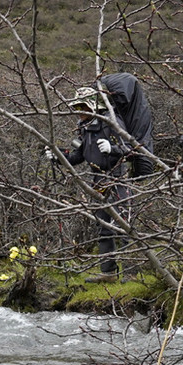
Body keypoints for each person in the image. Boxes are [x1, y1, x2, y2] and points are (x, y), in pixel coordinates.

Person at [46, 86, 130, 283]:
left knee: (124, 224)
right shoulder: (85, 127)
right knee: (103, 226)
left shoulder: (111, 122)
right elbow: (78, 157)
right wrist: (58, 155)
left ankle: (131, 273)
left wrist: (114, 149)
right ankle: (108, 273)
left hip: (117, 177)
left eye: (83, 106)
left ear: (93, 106)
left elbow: (131, 149)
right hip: (98, 180)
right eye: (78, 107)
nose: (80, 111)